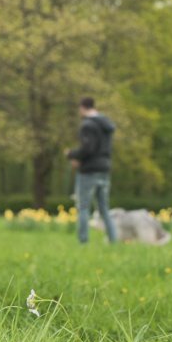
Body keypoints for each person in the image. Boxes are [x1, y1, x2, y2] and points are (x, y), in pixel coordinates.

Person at [65, 97, 118, 244]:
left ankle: (83, 242)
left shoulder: (87, 125)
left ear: (82, 108)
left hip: (89, 170)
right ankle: (113, 240)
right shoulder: (106, 124)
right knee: (104, 208)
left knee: (83, 207)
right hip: (105, 168)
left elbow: (88, 149)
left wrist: (71, 154)